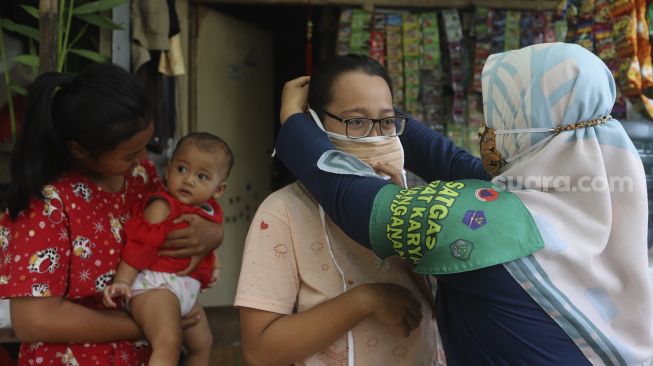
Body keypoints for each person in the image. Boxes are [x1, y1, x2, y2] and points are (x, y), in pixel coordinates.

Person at [274, 43, 653, 365]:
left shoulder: (485, 226)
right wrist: (380, 115)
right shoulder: (595, 190)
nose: (486, 133)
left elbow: (353, 200)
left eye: (498, 120)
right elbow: (458, 166)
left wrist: (293, 121)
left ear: (528, 130)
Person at [0, 63, 222, 365]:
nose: (143, 160)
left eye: (146, 147)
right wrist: (153, 324)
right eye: (130, 154)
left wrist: (212, 233)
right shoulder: (46, 203)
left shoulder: (140, 176)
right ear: (80, 150)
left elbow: (178, 222)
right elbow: (34, 319)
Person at [235, 55, 446, 365]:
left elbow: (438, 309)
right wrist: (366, 300)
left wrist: (401, 205)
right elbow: (260, 350)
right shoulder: (283, 212)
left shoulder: (405, 199)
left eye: (386, 121)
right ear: (314, 126)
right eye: (357, 122)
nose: (377, 137)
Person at [102, 132, 232, 366]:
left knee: (203, 344)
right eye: (182, 169)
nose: (189, 180)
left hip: (185, 291)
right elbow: (140, 245)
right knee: (169, 342)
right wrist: (122, 281)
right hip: (155, 287)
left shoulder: (210, 210)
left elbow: (205, 245)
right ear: (168, 169)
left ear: (219, 189)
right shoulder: (161, 206)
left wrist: (214, 264)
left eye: (202, 176)